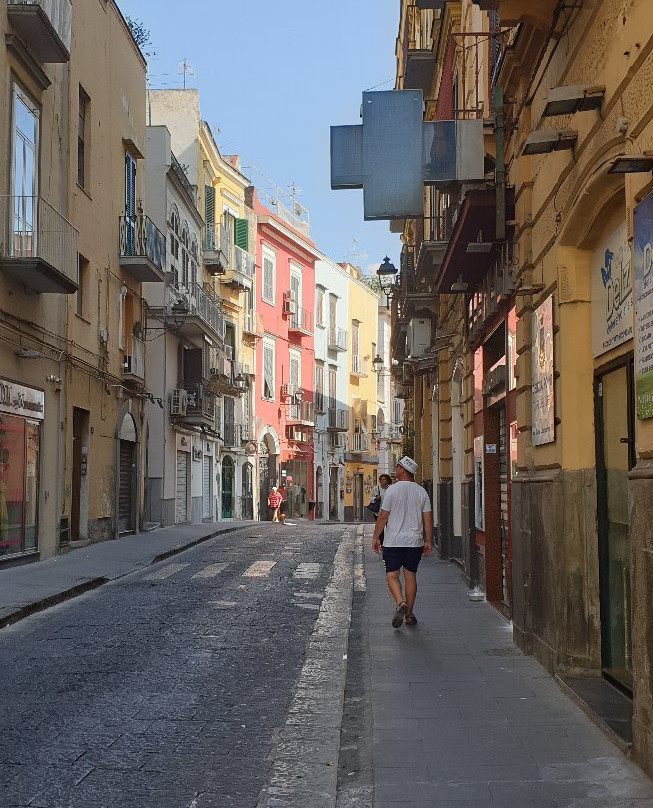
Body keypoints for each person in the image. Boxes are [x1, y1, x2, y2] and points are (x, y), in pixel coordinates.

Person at [371, 456, 432, 628]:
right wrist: (428, 540)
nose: (396, 469)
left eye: (398, 467)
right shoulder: (421, 492)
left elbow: (383, 516)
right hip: (414, 542)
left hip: (393, 541)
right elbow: (427, 519)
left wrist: (376, 537)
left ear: (404, 470)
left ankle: (400, 602)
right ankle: (409, 615)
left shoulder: (392, 490)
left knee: (392, 574)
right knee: (410, 575)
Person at [371, 474, 392, 545]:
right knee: (380, 529)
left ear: (387, 480)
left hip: (389, 512)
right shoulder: (376, 488)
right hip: (378, 512)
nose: (382, 481)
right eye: (381, 479)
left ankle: (389, 543)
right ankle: (382, 544)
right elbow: (370, 498)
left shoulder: (391, 489)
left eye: (384, 479)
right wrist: (376, 498)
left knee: (390, 527)